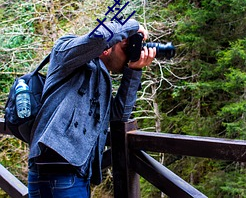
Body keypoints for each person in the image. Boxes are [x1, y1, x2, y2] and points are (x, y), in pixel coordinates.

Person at [28, 19, 156, 198]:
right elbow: (98, 38)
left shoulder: (101, 78)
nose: (128, 55)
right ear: (110, 44)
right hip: (58, 172)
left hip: (73, 174)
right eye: (125, 47)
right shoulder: (65, 49)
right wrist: (133, 27)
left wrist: (134, 71)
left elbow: (118, 115)